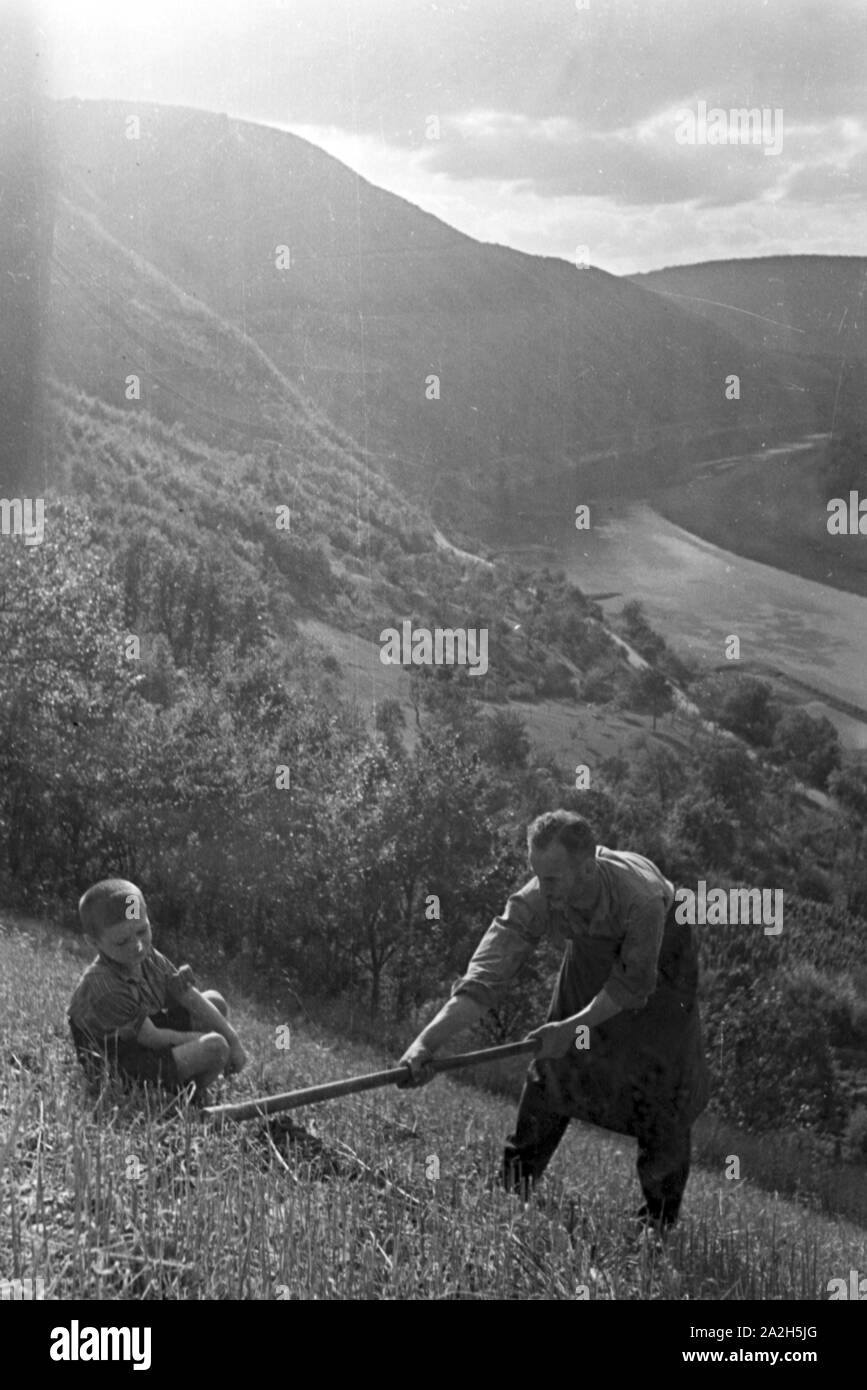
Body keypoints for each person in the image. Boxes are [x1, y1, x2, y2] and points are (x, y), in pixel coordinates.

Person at [399, 810, 709, 1232]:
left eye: (553, 880)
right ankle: (514, 1184)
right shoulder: (541, 896)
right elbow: (485, 979)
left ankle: (656, 1224)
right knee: (553, 1060)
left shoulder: (643, 898)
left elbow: (632, 987)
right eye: (537, 877)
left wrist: (573, 1029)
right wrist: (425, 1044)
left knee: (666, 1084)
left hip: (662, 959)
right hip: (591, 951)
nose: (542, 889)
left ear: (587, 868)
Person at [68, 878, 247, 1101]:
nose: (138, 945)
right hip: (118, 1061)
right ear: (93, 943)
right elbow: (153, 1038)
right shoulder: (105, 986)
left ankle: (184, 1076)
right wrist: (209, 1040)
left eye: (142, 931)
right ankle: (182, 1094)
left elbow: (187, 995)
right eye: (122, 941)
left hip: (144, 1036)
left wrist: (233, 1038)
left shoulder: (146, 956)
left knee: (215, 1003)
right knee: (215, 1046)